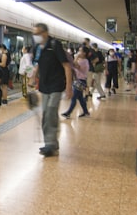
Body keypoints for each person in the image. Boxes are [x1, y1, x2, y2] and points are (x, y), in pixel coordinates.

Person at [30, 23, 72, 157]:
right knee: (46, 113)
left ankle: (49, 144)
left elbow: (67, 66)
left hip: (57, 85)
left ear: (45, 33)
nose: (35, 36)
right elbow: (37, 65)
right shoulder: (37, 47)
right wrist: (32, 78)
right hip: (44, 86)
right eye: (34, 33)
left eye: (37, 33)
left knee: (51, 112)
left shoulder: (55, 45)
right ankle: (52, 142)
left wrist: (69, 87)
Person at [62, 47, 92, 119]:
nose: (78, 52)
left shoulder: (84, 61)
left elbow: (76, 66)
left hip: (80, 81)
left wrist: (76, 57)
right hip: (79, 80)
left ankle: (68, 113)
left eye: (80, 51)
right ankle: (86, 112)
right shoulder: (83, 60)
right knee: (80, 98)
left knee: (74, 97)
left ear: (84, 53)